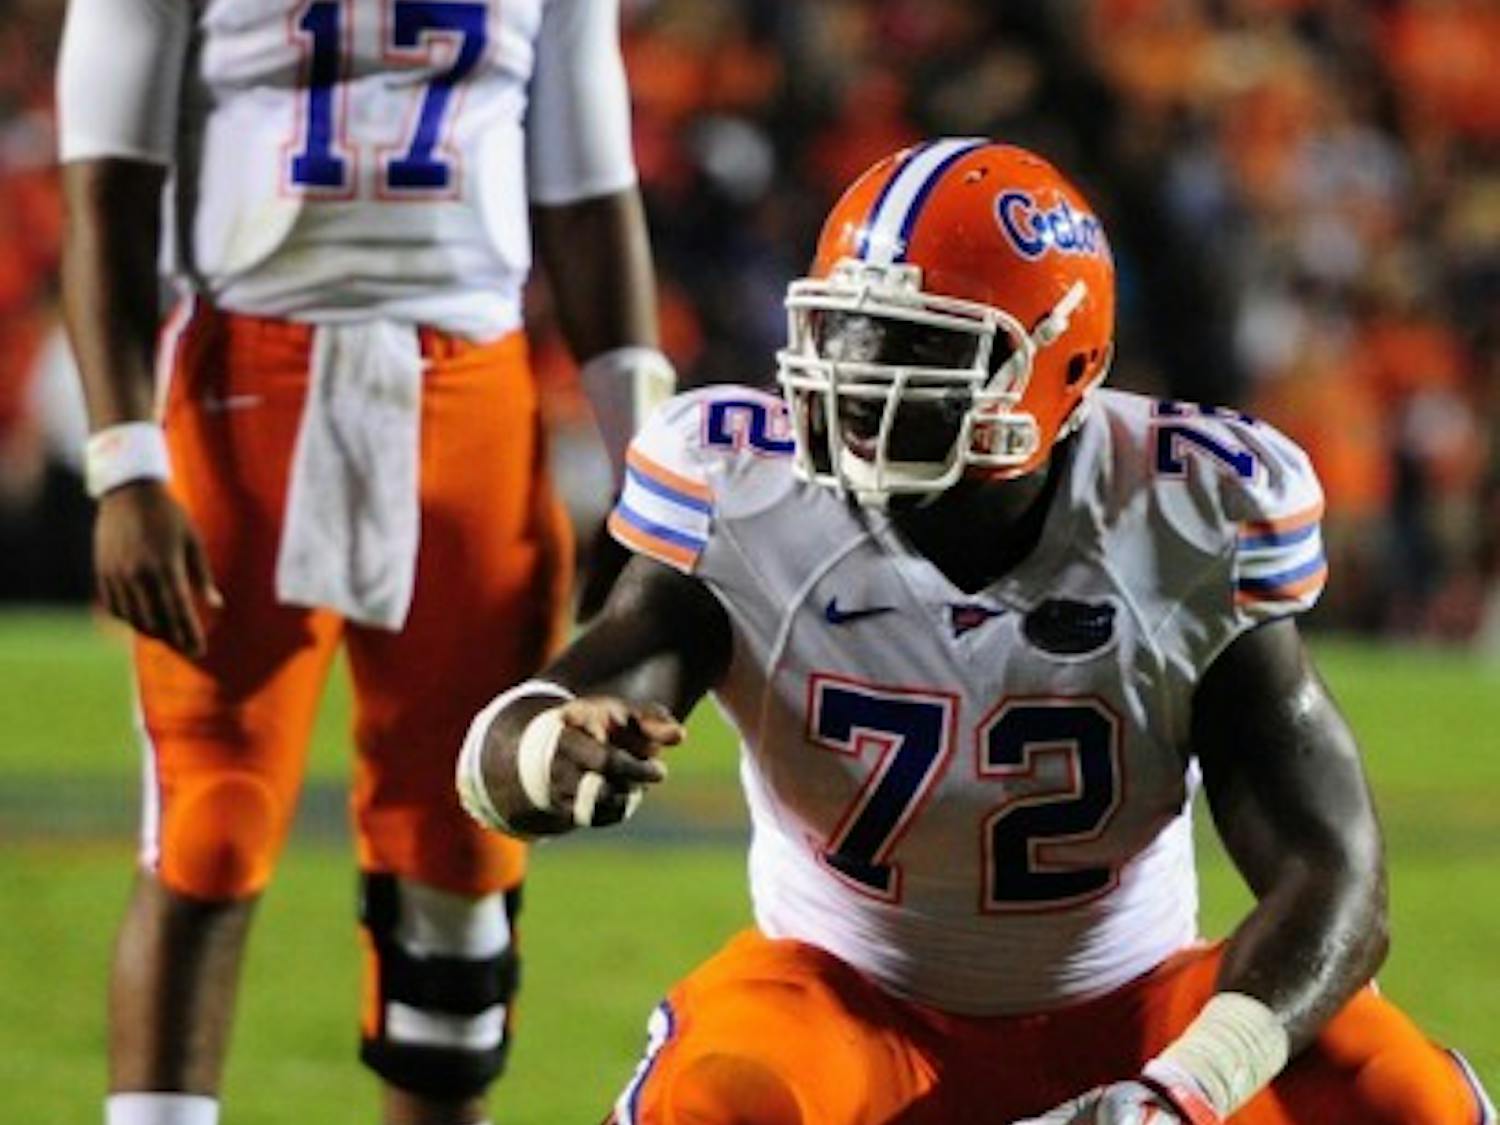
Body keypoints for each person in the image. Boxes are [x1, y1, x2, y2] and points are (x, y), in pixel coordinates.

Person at [456, 140, 1497, 1125]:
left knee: (1405, 1099)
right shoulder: (747, 488)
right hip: (842, 1008)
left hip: (1134, 1012)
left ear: (1062, 361)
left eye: (919, 346)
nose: (857, 380)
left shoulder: (1183, 514)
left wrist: (1189, 1086)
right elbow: (577, 694)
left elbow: (1335, 877)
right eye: (843, 332)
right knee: (719, 1096)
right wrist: (538, 748)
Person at [55, 1, 673, 1123]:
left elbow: (590, 184)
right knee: (210, 824)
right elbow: (105, 185)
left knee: (467, 838)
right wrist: (125, 460)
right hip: (246, 383)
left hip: (473, 395)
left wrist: (645, 454)